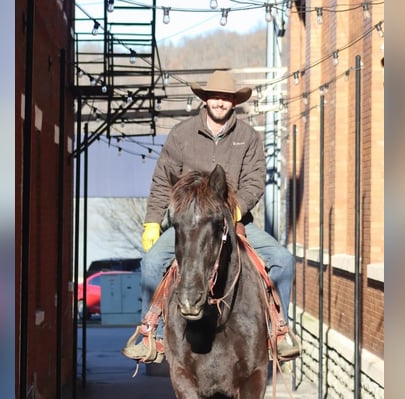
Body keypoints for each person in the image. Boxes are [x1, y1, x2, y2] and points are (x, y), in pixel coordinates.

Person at [122, 70, 300, 363]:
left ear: (234, 102)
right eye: (215, 97)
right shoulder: (181, 135)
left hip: (235, 219)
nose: (221, 102)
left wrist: (236, 208)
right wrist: (152, 221)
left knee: (283, 260)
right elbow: (161, 180)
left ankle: (278, 331)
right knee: (152, 262)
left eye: (227, 98)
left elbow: (256, 180)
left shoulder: (248, 137)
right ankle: (151, 334)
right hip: (190, 223)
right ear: (205, 99)